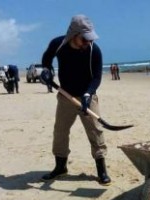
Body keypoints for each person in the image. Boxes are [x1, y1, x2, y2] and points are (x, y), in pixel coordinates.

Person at [41, 14, 111, 185]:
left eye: (90, 39)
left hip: (88, 95)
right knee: (60, 132)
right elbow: (47, 57)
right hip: (66, 96)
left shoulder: (94, 50)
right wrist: (46, 71)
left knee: (95, 131)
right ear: (73, 34)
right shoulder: (58, 44)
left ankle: (101, 170)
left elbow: (96, 78)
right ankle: (60, 167)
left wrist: (88, 94)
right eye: (84, 39)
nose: (87, 42)